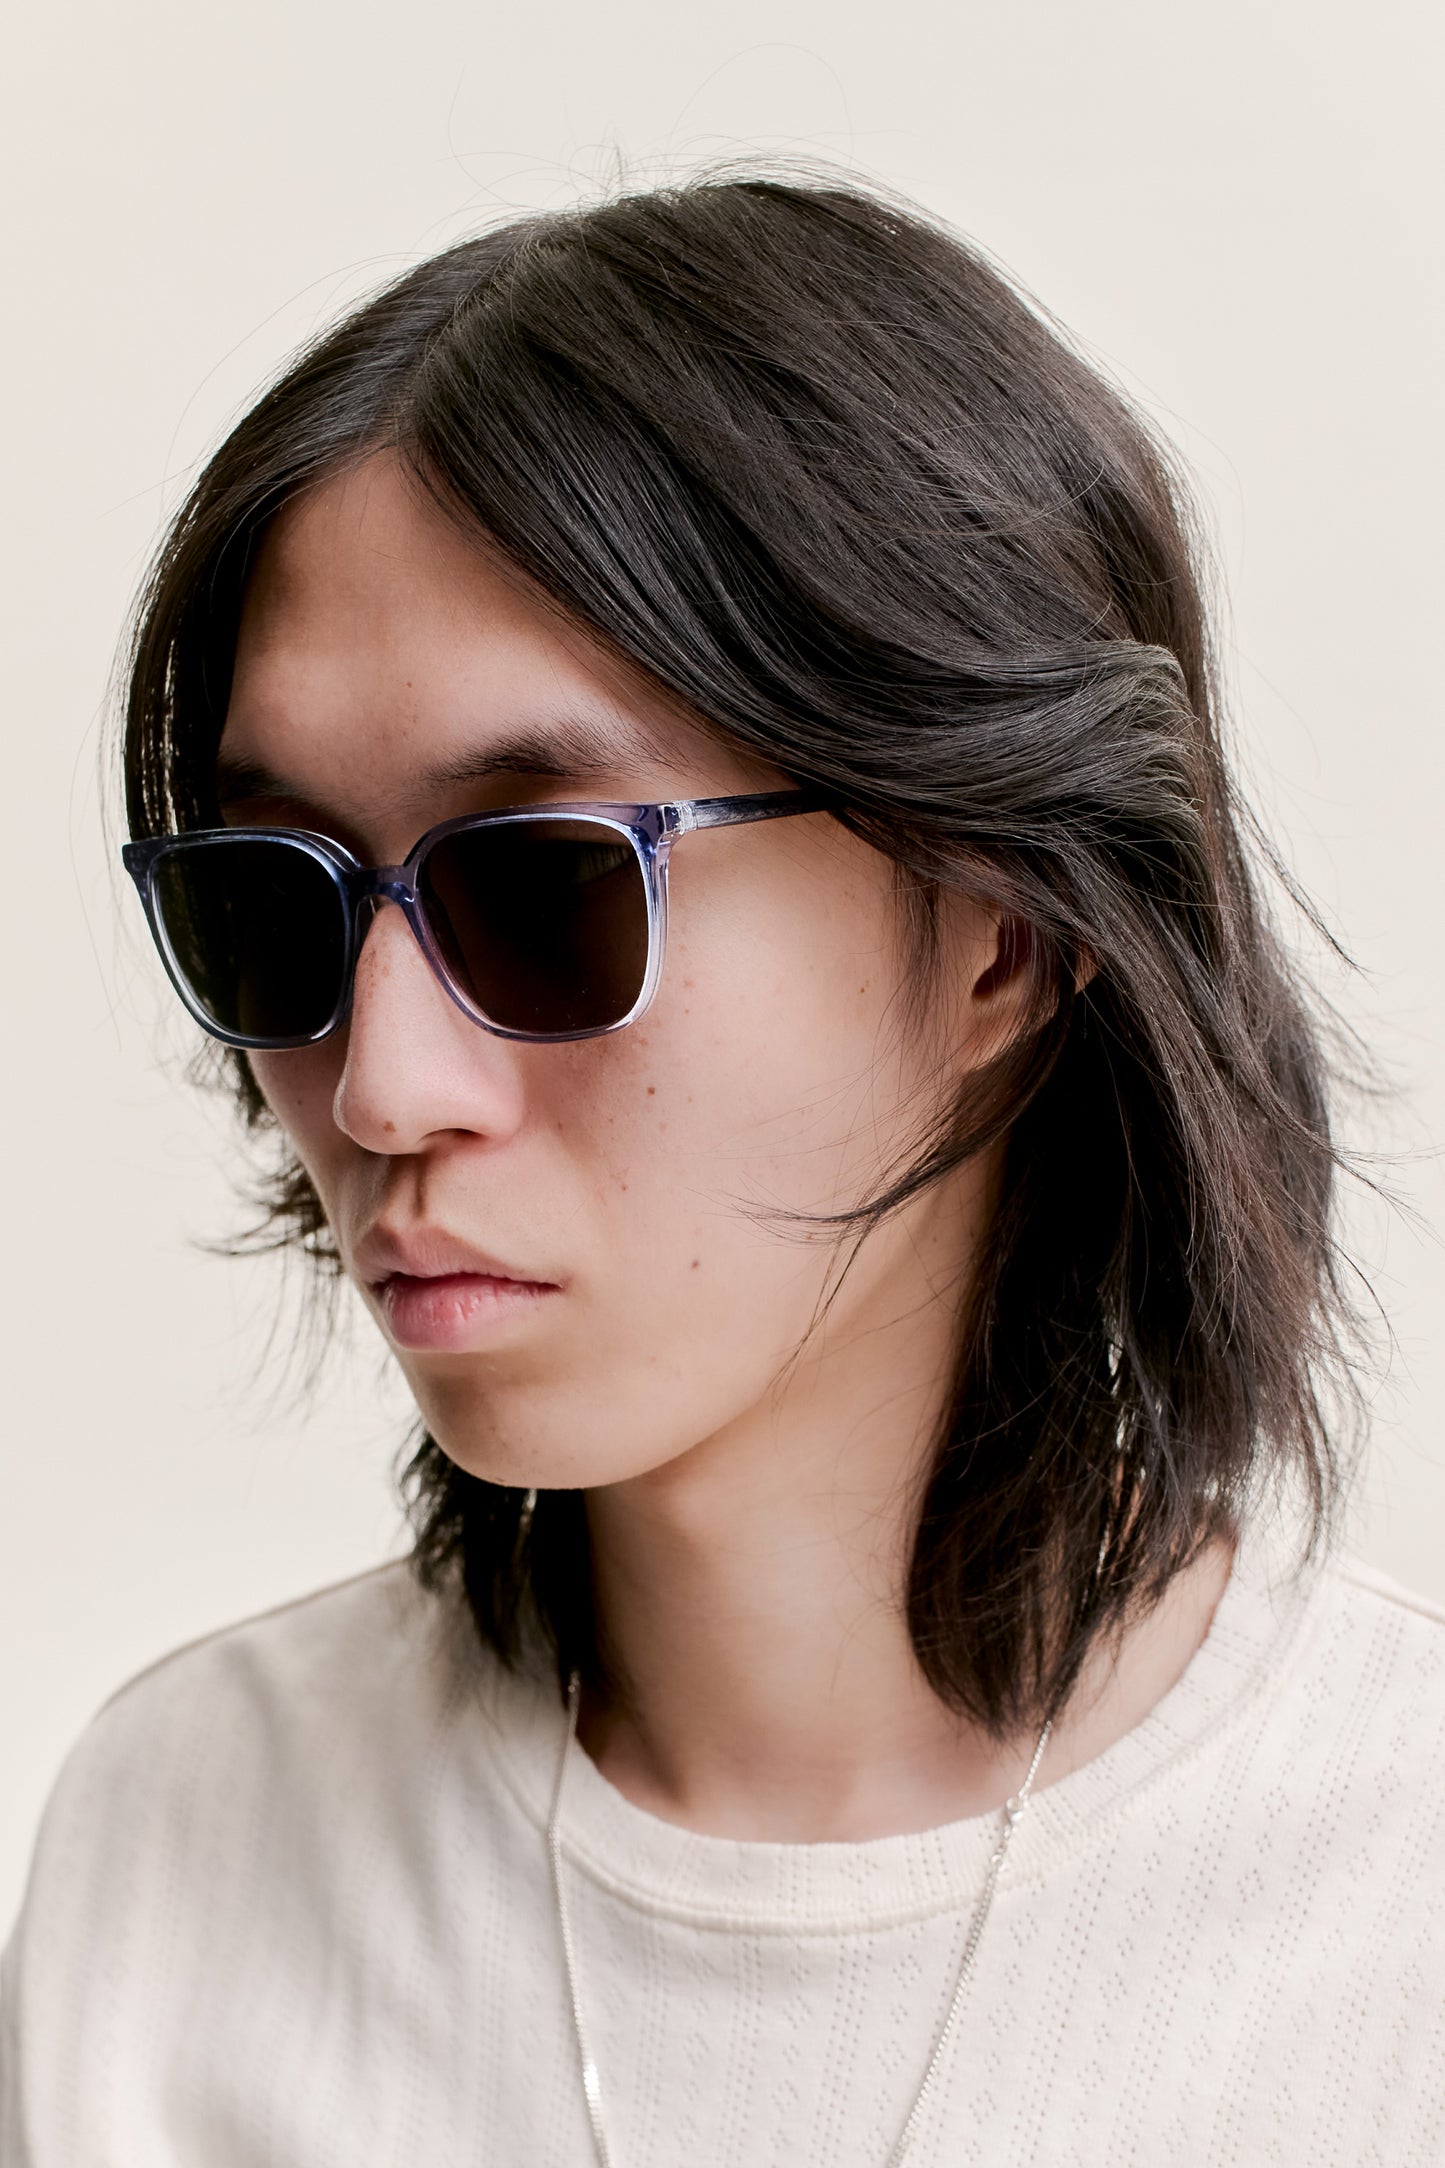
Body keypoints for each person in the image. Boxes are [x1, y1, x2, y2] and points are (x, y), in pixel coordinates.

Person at [3, 173, 1441, 2166]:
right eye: (277, 903)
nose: (385, 1085)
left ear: (1001, 930)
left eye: (544, 889)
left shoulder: (1395, 1902)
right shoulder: (188, 1858)